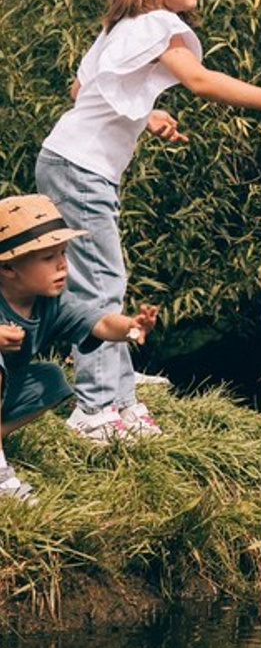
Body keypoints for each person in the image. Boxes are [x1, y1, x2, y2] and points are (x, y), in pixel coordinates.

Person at [35, 0, 261, 440]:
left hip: (70, 162)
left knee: (104, 277)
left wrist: (144, 114)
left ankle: (120, 396)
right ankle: (94, 408)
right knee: (100, 283)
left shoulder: (120, 26)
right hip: (80, 169)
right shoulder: (156, 24)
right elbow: (199, 80)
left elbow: (83, 89)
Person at [0, 194, 160, 500]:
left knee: (52, 379)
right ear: (8, 268)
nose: (63, 264)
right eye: (48, 258)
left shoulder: (52, 303)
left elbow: (100, 322)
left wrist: (131, 328)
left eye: (63, 253)